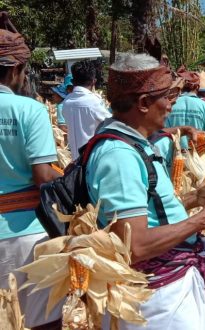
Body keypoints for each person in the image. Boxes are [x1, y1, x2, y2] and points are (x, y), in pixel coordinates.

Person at [87, 53, 205, 329]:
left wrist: (195, 198)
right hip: (155, 301)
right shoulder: (119, 156)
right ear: (144, 103)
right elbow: (135, 246)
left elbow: (147, 212)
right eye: (167, 97)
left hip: (168, 292)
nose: (171, 105)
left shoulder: (137, 143)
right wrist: (203, 220)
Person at [0, 12, 62, 329]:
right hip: (25, 234)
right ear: (16, 69)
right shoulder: (30, 110)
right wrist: (71, 180)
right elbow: (42, 175)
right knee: (44, 322)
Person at [62, 60, 112, 159]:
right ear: (94, 81)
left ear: (72, 82)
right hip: (93, 158)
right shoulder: (94, 102)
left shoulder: (66, 102)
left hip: (75, 159)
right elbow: (111, 124)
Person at [165, 69, 205, 151]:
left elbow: (163, 132)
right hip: (198, 155)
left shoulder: (169, 105)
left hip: (173, 154)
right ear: (197, 87)